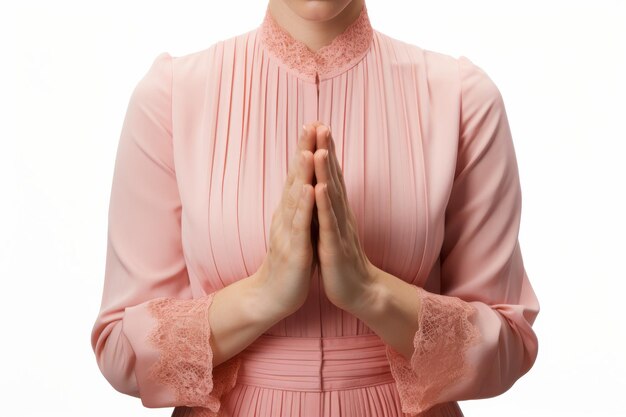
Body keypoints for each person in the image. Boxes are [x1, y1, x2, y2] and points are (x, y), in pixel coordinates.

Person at [90, 0, 540, 416]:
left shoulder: (461, 99)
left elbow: (510, 343)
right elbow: (120, 348)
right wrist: (263, 294)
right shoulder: (171, 97)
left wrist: (369, 290)